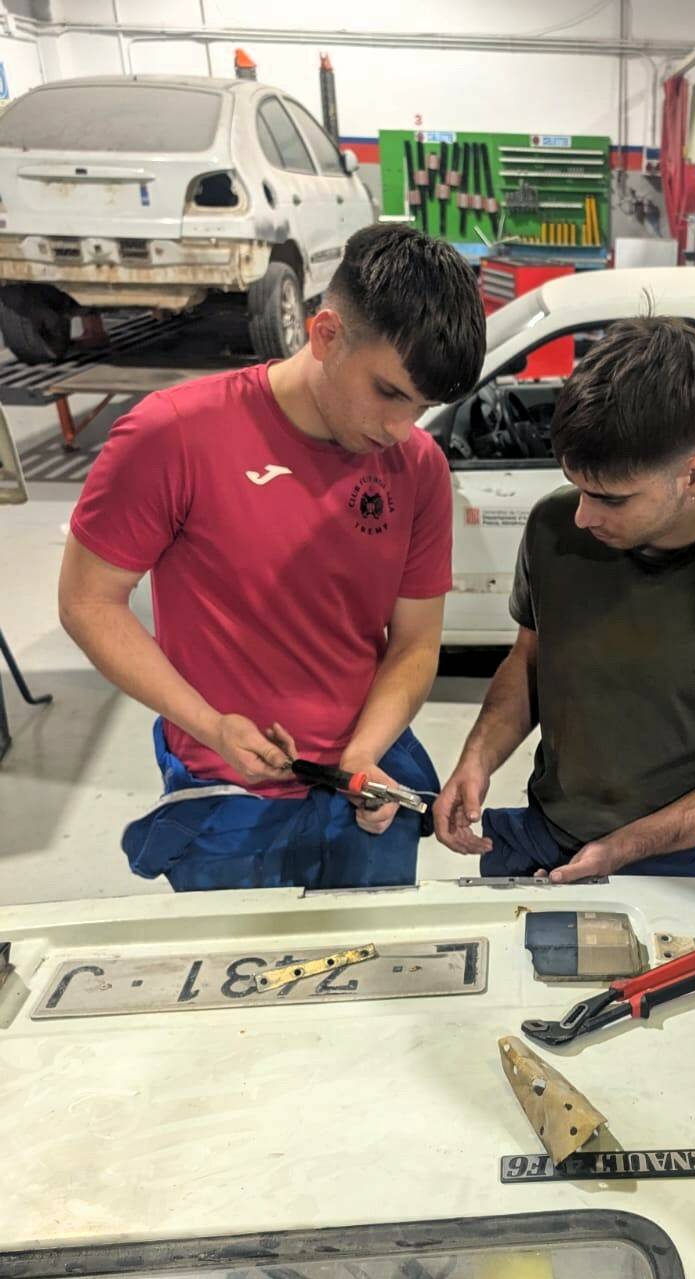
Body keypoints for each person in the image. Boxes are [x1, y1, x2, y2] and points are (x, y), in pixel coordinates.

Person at [58, 224, 485, 891]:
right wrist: (210, 725)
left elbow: (415, 644)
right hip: (225, 797)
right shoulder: (174, 434)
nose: (401, 429)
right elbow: (88, 602)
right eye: (389, 393)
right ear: (326, 334)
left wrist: (365, 754)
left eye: (423, 406)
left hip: (360, 785)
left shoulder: (418, 467)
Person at [432, 316, 695, 940]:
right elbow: (530, 661)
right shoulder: (554, 529)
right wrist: (476, 758)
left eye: (611, 498)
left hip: (679, 861)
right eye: (577, 488)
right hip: (546, 834)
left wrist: (624, 847)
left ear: (694, 476)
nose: (583, 516)